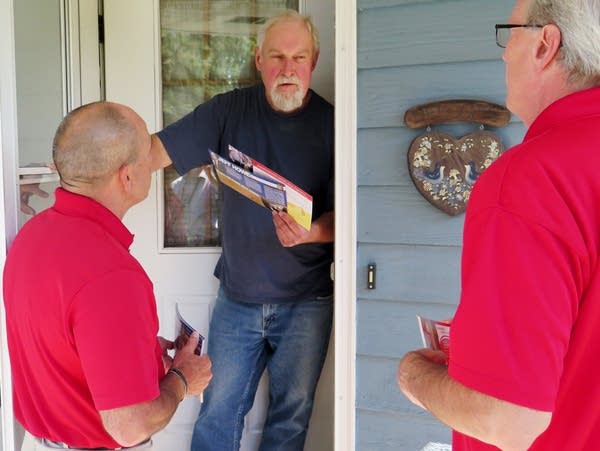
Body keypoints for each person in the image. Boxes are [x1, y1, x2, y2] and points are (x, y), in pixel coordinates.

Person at [397, 0, 600, 449]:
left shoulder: (532, 177)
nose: (505, 52)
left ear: (546, 45)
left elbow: (507, 418)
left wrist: (414, 376)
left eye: (511, 35)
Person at [150, 9, 334, 451]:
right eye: (276, 56)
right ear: (258, 59)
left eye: (298, 57)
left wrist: (311, 233)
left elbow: (347, 219)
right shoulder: (230, 109)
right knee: (217, 412)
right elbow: (158, 150)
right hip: (238, 298)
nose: (288, 69)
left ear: (315, 59)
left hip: (307, 301)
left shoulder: (332, 124)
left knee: (291, 420)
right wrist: (103, 170)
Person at [3, 101, 213, 451]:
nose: (156, 163)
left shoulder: (31, 235)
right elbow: (129, 427)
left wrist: (139, 354)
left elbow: (63, 345)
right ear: (127, 175)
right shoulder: (111, 275)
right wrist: (181, 379)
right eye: (148, 152)